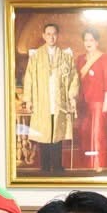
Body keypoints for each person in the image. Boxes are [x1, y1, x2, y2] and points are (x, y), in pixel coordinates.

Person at [20, 21, 78, 177]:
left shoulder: (66, 56)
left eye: (54, 34)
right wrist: (29, 99)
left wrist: (72, 96)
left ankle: (57, 166)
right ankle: (45, 166)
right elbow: (29, 78)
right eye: (48, 34)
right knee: (43, 133)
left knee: (57, 133)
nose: (51, 37)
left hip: (59, 100)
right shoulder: (36, 56)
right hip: (42, 100)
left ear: (57, 36)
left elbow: (73, 77)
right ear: (44, 36)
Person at [75, 28, 107, 173]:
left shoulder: (104, 58)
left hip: (99, 101)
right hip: (83, 102)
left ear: (97, 42)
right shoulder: (80, 59)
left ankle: (98, 164)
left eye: (91, 40)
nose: (88, 43)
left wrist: (106, 100)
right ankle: (87, 164)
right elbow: (77, 81)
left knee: (97, 133)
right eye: (86, 40)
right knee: (84, 133)